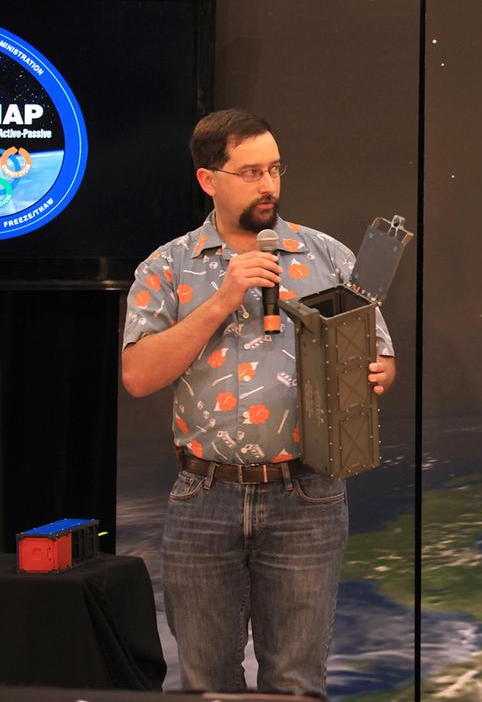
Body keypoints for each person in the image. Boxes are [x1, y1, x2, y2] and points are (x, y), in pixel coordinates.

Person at [121, 108, 396, 697]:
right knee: (206, 680)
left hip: (307, 496)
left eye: (274, 169)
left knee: (296, 681)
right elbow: (139, 376)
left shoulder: (328, 256)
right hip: (205, 495)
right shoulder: (167, 266)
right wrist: (223, 298)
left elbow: (380, 353)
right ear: (208, 179)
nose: (268, 184)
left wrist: (377, 373)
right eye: (250, 172)